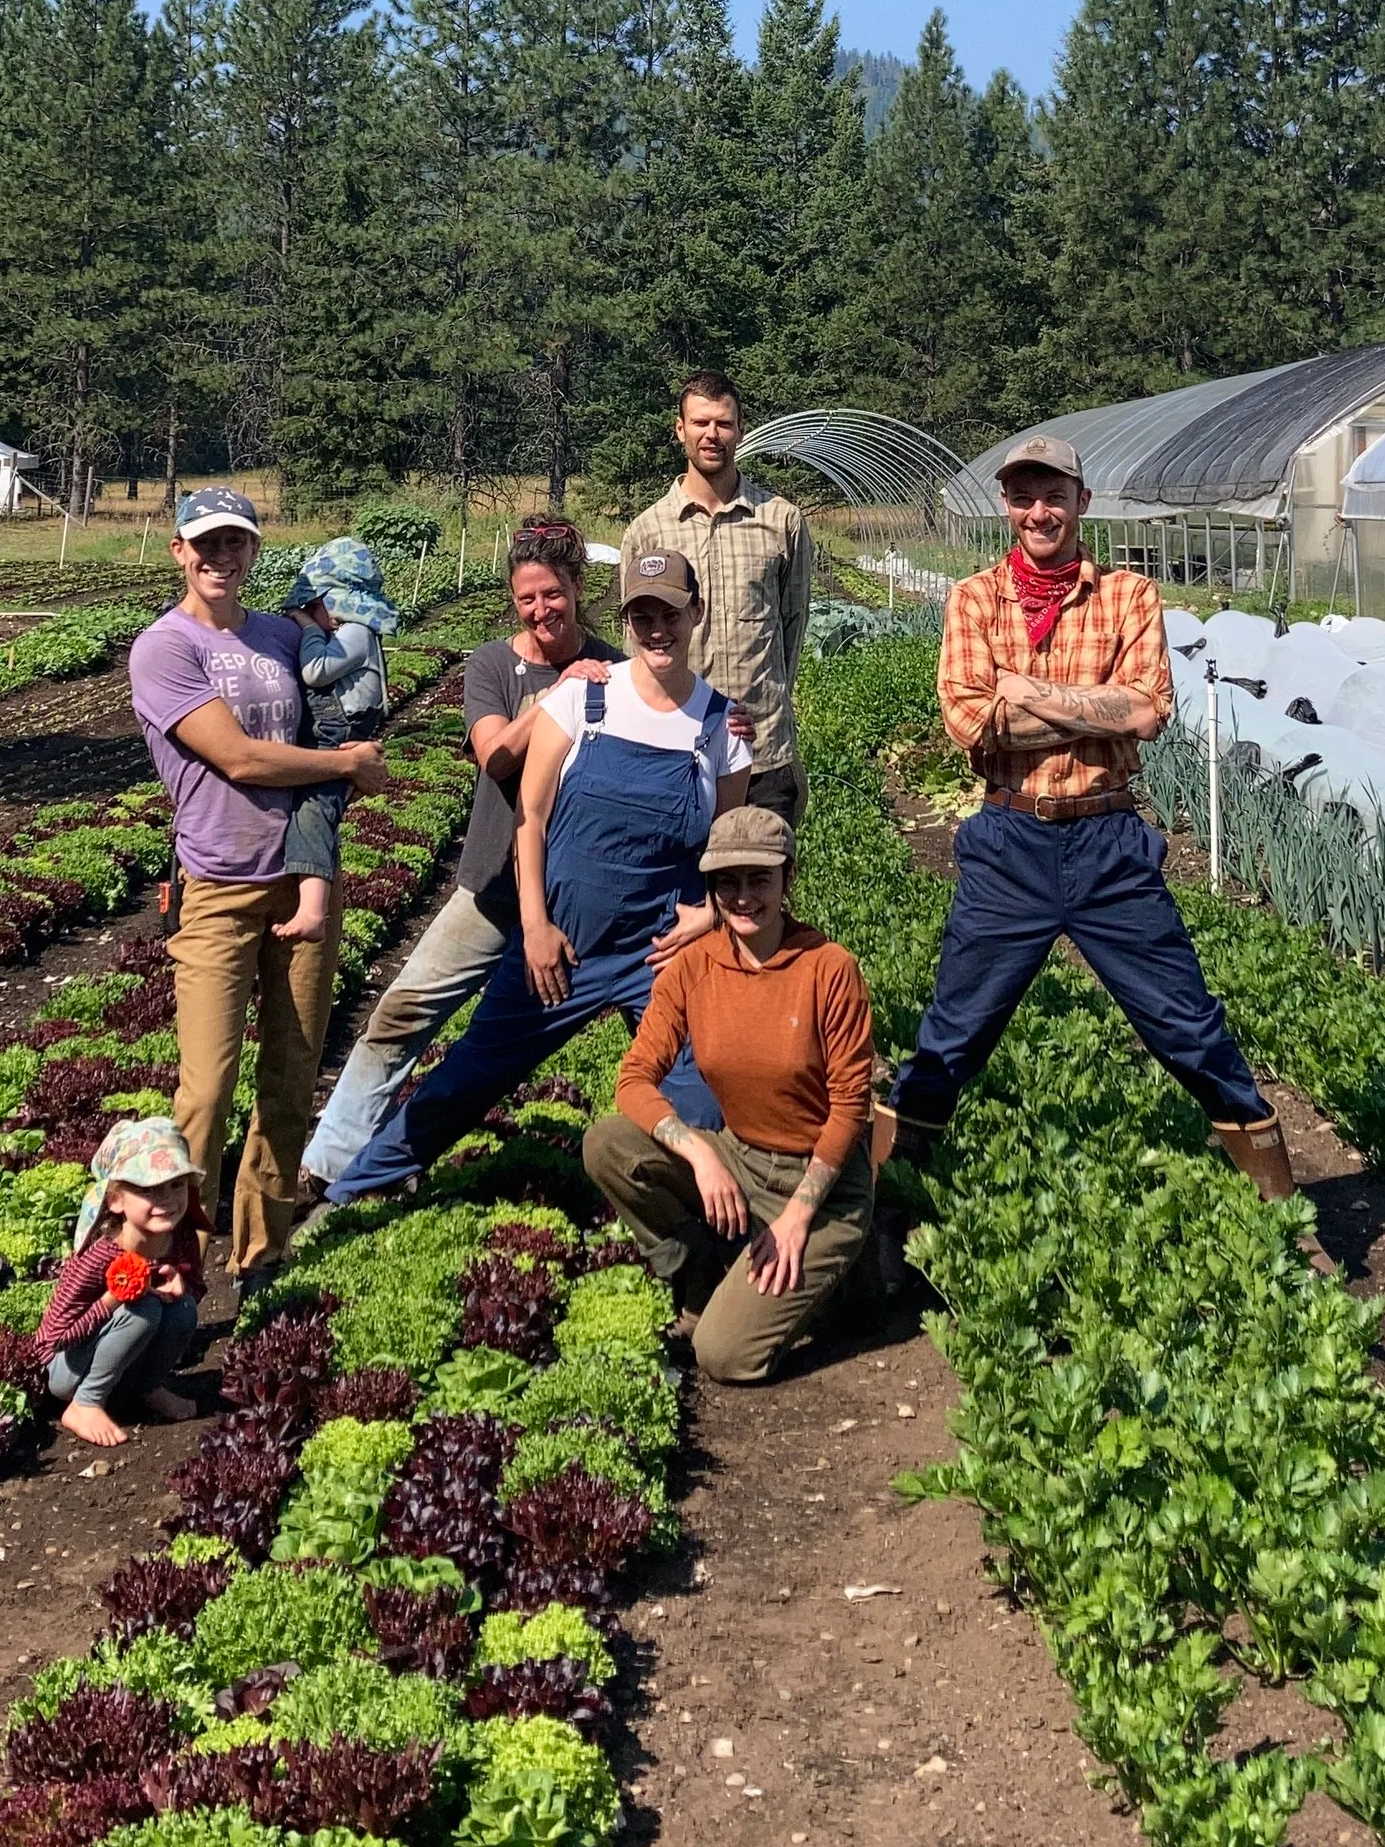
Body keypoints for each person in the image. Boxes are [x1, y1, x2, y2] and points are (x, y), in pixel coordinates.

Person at [871, 436, 1303, 1221]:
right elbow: (970, 723)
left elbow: (1146, 711)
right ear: (1006, 505)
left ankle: (1279, 1205)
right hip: (1009, 843)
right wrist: (1090, 705)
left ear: (1081, 501)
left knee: (1186, 1023)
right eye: (1022, 496)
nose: (1038, 511)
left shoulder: (1128, 594)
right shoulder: (974, 598)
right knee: (954, 1030)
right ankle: (886, 1205)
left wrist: (1025, 691)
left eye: (1053, 495)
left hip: (1108, 841)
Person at [322, 549, 752, 1206]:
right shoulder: (585, 695)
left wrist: (710, 913)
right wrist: (536, 926)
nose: (657, 629)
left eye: (670, 613)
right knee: (467, 1078)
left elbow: (728, 845)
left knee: (700, 1087)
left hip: (658, 950)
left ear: (697, 613)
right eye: (642, 616)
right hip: (562, 942)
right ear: (626, 621)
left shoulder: (722, 725)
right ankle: (348, 1195)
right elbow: (531, 816)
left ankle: (680, 1219)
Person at [297, 515, 626, 1191]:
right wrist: (561, 694)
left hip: (574, 897)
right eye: (527, 598)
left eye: (553, 593)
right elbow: (495, 754)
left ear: (577, 585)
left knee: (639, 1029)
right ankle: (327, 1164)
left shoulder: (616, 668)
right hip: (492, 885)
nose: (541, 609)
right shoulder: (493, 664)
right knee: (402, 1012)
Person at [127, 486, 388, 1289]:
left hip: (303, 876)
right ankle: (169, 1267)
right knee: (206, 1088)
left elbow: (344, 684)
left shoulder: (279, 633)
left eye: (235, 542)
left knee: (289, 1079)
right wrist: (344, 764)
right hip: (217, 884)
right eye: (205, 542)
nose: (219, 556)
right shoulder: (164, 648)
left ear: (253, 552)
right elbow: (238, 757)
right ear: (178, 549)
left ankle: (261, 1253)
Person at [583, 807, 875, 1384]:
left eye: (758, 879)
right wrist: (701, 1155)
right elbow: (634, 1078)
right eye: (727, 882)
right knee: (608, 1145)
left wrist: (797, 1217)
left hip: (823, 1186)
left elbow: (850, 1106)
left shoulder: (828, 969)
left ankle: (848, 1276)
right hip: (740, 1158)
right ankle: (701, 1271)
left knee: (723, 1356)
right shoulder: (694, 966)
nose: (743, 897)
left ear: (788, 878)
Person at [622, 369, 813, 826]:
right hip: (677, 752)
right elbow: (637, 649)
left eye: (724, 423)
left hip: (763, 753)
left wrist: (769, 700)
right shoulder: (648, 531)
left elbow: (792, 627)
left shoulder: (781, 521)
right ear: (680, 429)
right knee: (680, 872)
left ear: (740, 430)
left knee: (763, 872)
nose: (712, 434)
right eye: (700, 422)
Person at [37, 1119, 210, 1447]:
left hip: (121, 1361)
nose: (166, 1199)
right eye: (148, 1189)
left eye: (176, 1185)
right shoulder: (99, 1255)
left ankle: (148, 1388)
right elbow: (53, 1339)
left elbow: (198, 1286)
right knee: (142, 1310)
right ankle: (85, 1404)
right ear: (116, 1199)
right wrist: (112, 1299)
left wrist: (181, 1286)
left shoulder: (180, 1236)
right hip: (65, 1370)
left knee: (184, 1309)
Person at [276, 538, 397, 944]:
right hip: (334, 728)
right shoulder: (350, 630)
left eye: (314, 605)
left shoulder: (357, 632)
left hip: (341, 731)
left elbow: (316, 670)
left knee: (314, 808)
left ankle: (313, 911)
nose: (308, 613)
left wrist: (309, 628)